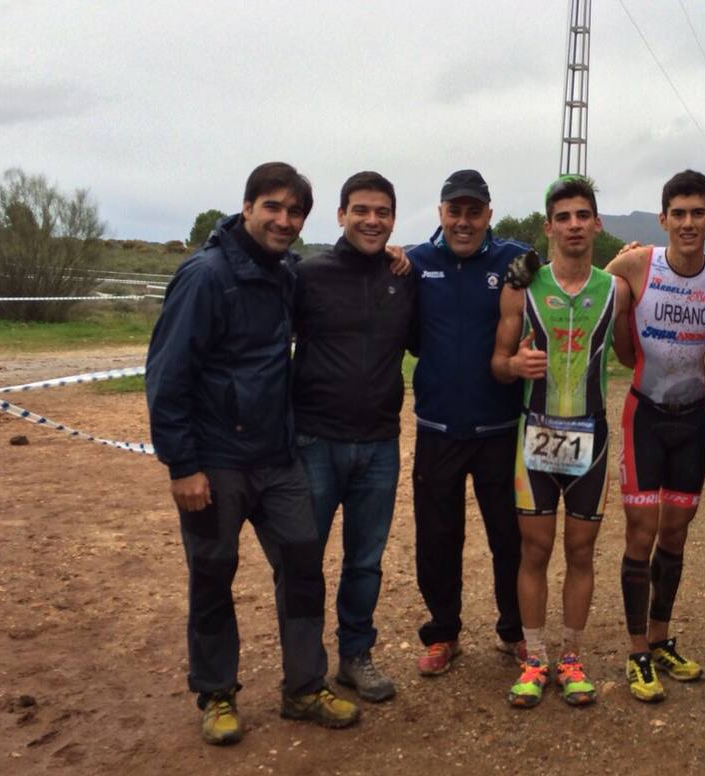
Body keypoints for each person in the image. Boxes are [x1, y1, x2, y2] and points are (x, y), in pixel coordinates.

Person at [145, 162, 359, 745]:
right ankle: (216, 694)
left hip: (277, 459)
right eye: (273, 207)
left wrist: (397, 258)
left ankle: (304, 688)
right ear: (247, 208)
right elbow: (167, 378)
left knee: (302, 570)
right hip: (213, 464)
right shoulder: (205, 277)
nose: (284, 221)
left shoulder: (284, 272)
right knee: (213, 577)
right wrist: (182, 465)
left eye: (295, 212)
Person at [604, 170, 705, 703]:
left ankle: (661, 639)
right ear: (663, 219)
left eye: (697, 213)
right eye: (677, 214)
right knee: (640, 533)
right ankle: (637, 649)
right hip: (644, 414)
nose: (687, 223)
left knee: (676, 535)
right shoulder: (637, 263)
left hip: (690, 419)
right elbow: (587, 299)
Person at [491, 175, 628, 709]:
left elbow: (635, 349)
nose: (574, 225)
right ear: (549, 227)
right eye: (563, 217)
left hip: (590, 437)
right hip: (537, 433)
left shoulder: (616, 289)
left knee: (580, 551)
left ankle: (571, 658)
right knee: (535, 549)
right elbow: (498, 363)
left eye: (583, 216)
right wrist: (514, 364)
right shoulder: (521, 288)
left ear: (596, 224)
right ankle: (534, 658)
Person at [288, 171, 416, 703]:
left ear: (392, 220)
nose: (372, 220)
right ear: (340, 215)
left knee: (365, 560)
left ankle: (354, 656)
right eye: (361, 210)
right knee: (305, 559)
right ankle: (304, 670)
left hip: (380, 444)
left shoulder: (402, 276)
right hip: (315, 441)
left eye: (382, 212)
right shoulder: (307, 276)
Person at [407, 170, 530, 675]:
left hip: (499, 429)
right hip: (437, 428)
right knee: (437, 537)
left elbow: (569, 272)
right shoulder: (414, 263)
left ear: (488, 214)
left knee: (510, 538)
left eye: (473, 212)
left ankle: (515, 631)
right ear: (440, 213)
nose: (463, 222)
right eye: (454, 211)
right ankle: (443, 633)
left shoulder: (515, 261)